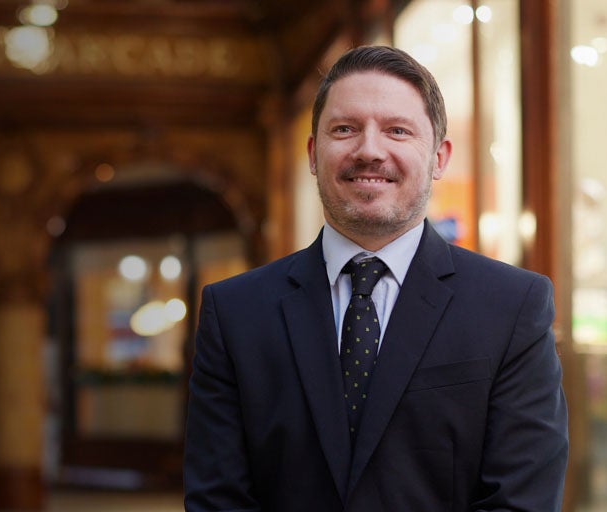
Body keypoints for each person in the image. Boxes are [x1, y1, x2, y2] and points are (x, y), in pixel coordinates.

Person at [183, 45, 569, 511]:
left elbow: (520, 500)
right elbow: (217, 500)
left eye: (397, 131)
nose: (369, 150)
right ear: (312, 153)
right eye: (345, 129)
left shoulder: (513, 306)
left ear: (439, 158)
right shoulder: (235, 312)